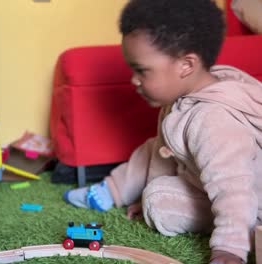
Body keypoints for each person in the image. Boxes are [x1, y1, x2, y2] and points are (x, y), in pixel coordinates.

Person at [63, 0, 262, 263]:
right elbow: (162, 155)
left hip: (251, 202)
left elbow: (233, 188)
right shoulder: (183, 97)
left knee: (159, 202)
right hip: (201, 178)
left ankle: (243, 228)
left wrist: (230, 247)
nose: (134, 80)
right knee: (155, 148)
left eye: (142, 71)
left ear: (186, 65)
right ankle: (112, 189)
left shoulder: (214, 121)